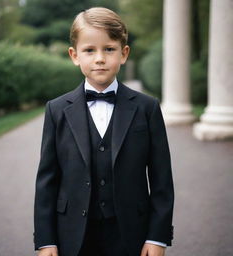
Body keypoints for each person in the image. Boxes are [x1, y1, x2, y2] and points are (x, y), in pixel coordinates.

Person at [34, 7, 174, 256]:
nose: (100, 58)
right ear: (74, 55)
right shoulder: (56, 110)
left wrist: (158, 237)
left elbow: (162, 179)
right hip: (73, 235)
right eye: (89, 50)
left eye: (109, 49)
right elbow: (47, 181)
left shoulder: (147, 108)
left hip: (132, 234)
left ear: (124, 53)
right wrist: (46, 241)